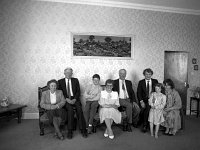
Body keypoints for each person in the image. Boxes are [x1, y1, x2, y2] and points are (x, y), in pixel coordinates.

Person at [58, 67, 87, 139]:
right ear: (64, 73)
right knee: (70, 110)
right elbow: (60, 92)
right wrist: (67, 99)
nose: (68, 74)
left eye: (70, 73)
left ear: (72, 73)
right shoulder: (60, 81)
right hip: (66, 99)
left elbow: (78, 91)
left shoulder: (75, 80)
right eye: (67, 73)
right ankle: (70, 131)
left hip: (75, 99)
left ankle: (83, 129)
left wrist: (74, 99)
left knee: (79, 110)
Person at [137, 68, 158, 133]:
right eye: (146, 74)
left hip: (153, 100)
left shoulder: (155, 81)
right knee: (146, 107)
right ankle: (146, 124)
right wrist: (141, 101)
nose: (148, 76)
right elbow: (138, 93)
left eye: (149, 74)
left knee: (147, 108)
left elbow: (158, 91)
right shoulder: (141, 82)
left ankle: (145, 124)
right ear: (144, 74)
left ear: (151, 74)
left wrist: (154, 99)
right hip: (144, 100)